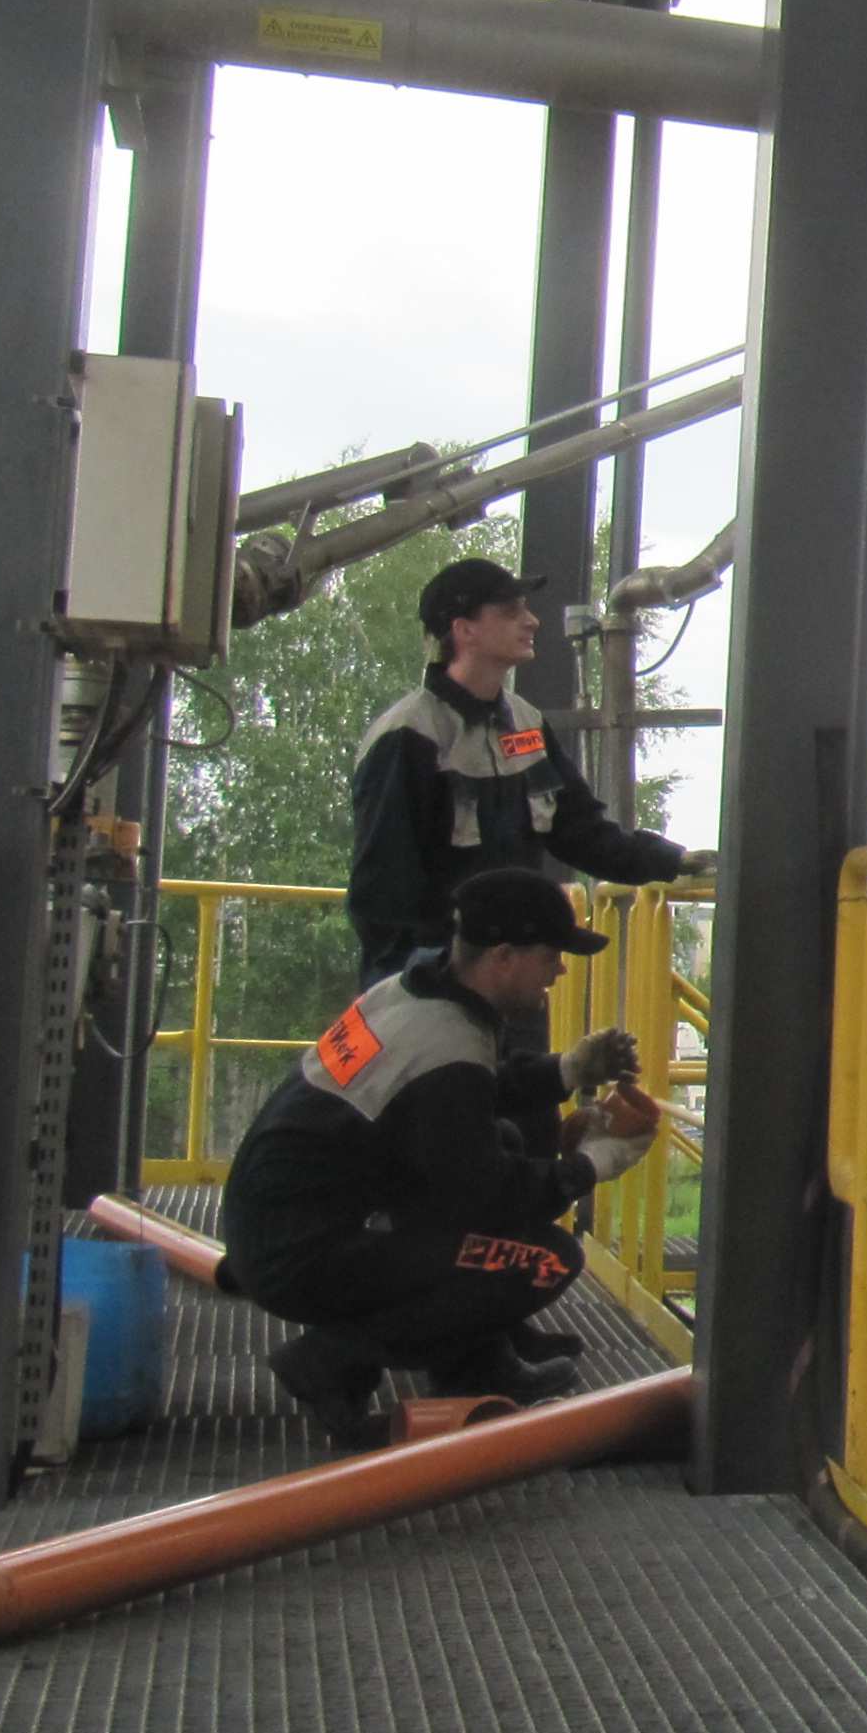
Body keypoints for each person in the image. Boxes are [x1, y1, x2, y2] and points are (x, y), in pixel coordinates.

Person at [219, 869, 660, 1448]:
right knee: (547, 1260)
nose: (559, 970)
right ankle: (332, 1359)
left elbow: (466, 1097)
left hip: (278, 1228)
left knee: (503, 1141)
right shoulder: (447, 1044)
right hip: (306, 1256)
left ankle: (479, 1362)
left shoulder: (413, 991)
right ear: (503, 957)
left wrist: (568, 1070)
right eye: (550, 956)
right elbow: (483, 1195)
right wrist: (593, 1165)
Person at [347, 554, 707, 981]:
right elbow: (384, 887)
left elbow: (581, 832)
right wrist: (416, 984)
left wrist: (671, 860)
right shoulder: (409, 736)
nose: (532, 621)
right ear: (464, 630)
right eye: (510, 611)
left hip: (511, 976)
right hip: (435, 980)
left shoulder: (527, 724)